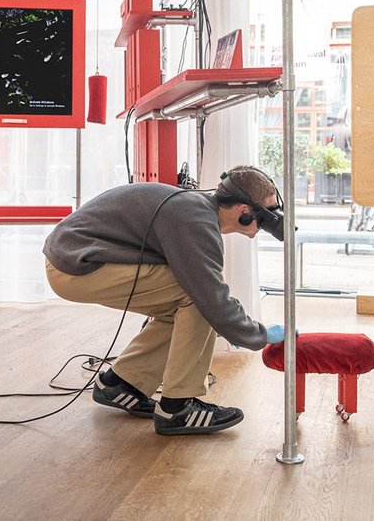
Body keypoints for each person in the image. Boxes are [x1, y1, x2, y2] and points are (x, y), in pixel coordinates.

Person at [43, 165, 288, 436]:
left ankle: (121, 383)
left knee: (184, 302)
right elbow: (213, 301)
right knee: (197, 297)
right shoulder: (196, 221)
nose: (268, 225)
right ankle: (178, 408)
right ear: (243, 212)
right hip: (75, 264)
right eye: (266, 217)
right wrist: (260, 335)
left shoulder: (196, 210)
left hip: (71, 257)